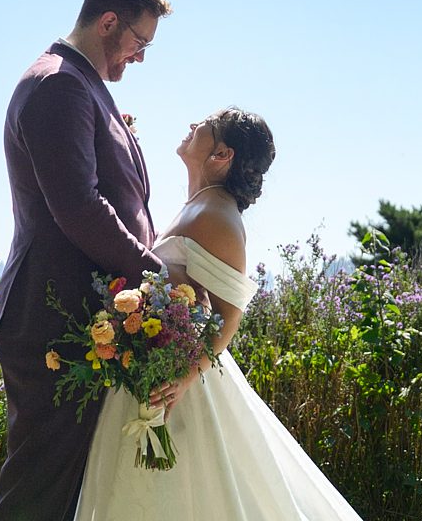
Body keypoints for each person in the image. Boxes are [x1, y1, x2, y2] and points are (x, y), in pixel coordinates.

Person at [75, 108, 366, 521]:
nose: (192, 126)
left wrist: (185, 378)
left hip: (185, 388)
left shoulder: (220, 215)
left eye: (204, 129)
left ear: (222, 155)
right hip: (153, 370)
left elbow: (230, 314)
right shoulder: (199, 205)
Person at [0, 0, 173, 521]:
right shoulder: (60, 85)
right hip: (50, 315)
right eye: (139, 41)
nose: (140, 58)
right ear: (108, 22)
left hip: (78, 313)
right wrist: (156, 276)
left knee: (71, 492)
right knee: (39, 489)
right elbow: (80, 208)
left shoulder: (84, 85)